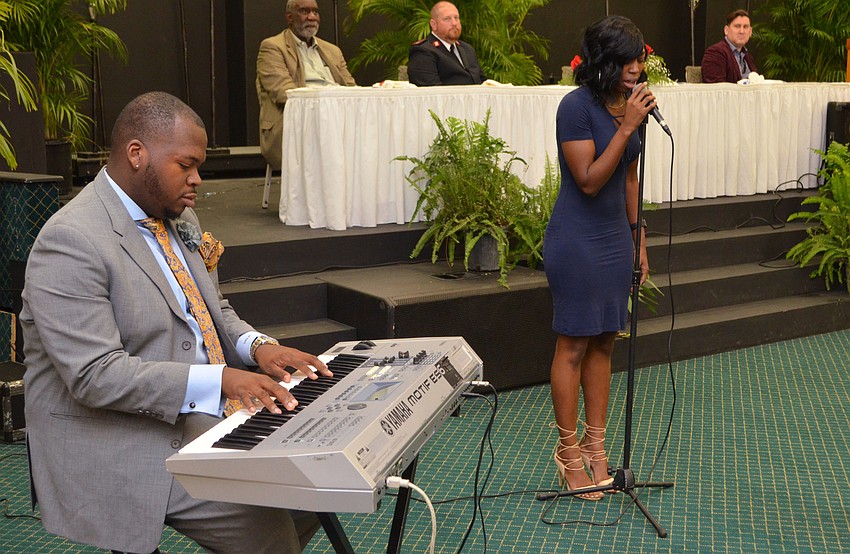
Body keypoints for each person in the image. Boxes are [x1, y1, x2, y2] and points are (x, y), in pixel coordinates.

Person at [20, 91, 332, 554]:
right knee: (270, 537)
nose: (197, 180)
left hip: (193, 409)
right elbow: (94, 376)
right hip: (120, 433)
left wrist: (259, 347)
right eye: (186, 165)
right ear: (136, 154)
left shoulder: (178, 214)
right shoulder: (70, 240)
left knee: (314, 489)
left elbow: (212, 309)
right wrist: (223, 380)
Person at [542, 15, 651, 501]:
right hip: (577, 239)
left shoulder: (630, 108)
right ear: (605, 62)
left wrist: (638, 240)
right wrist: (627, 126)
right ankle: (568, 455)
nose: (636, 67)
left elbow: (628, 180)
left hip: (613, 239)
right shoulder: (575, 107)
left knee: (605, 342)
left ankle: (597, 447)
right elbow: (588, 178)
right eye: (627, 60)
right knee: (573, 345)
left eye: (640, 58)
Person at [256, 0, 356, 170]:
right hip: (295, 123)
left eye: (315, 12)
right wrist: (325, 102)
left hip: (337, 118)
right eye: (304, 11)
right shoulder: (272, 47)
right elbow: (284, 93)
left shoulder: (332, 50)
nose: (312, 17)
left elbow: (351, 88)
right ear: (290, 17)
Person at [407, 1, 486, 86]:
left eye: (456, 18)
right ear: (434, 24)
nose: (454, 23)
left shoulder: (467, 49)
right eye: (447, 19)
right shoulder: (423, 51)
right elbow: (431, 92)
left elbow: (482, 83)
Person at [701, 9, 757, 83]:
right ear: (726, 30)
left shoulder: (748, 57)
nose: (742, 31)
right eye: (737, 26)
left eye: (745, 27)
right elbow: (716, 88)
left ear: (750, 32)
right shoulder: (715, 53)